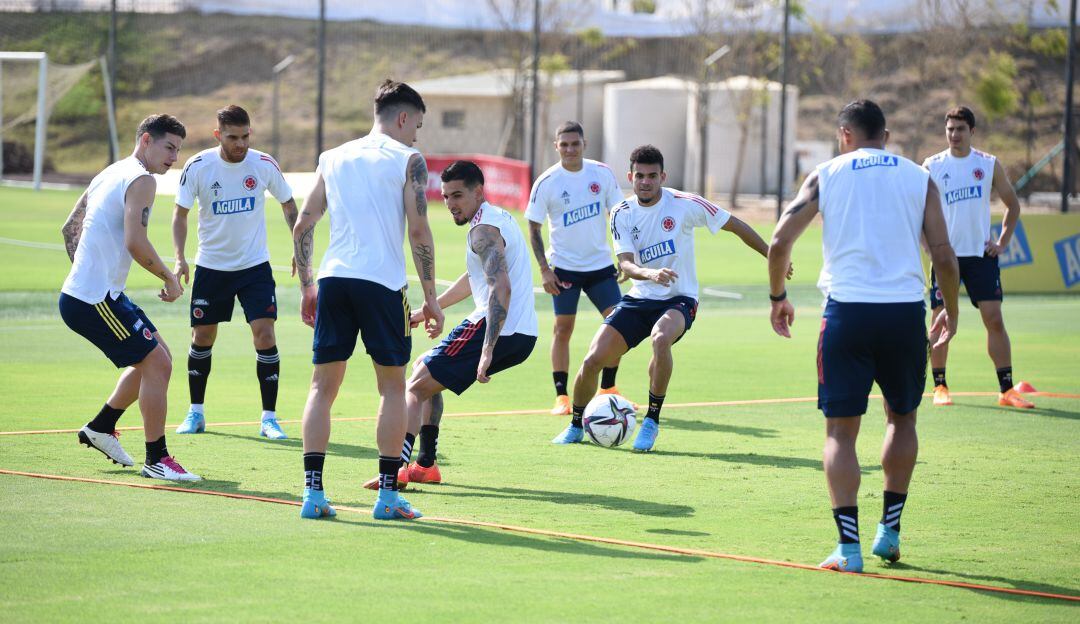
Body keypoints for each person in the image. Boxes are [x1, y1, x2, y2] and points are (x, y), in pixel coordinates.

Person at [767, 99, 960, 573]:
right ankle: (889, 533)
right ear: (886, 136)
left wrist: (778, 297)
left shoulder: (827, 174)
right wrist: (948, 310)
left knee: (840, 432)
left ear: (844, 135)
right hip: (902, 315)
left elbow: (778, 241)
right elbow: (943, 252)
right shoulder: (920, 176)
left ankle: (848, 550)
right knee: (903, 419)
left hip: (848, 315)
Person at [552, 145, 781, 451]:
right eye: (639, 176)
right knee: (593, 359)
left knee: (660, 339)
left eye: (652, 176)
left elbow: (735, 225)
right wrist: (650, 274)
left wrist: (771, 256)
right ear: (630, 177)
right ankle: (576, 425)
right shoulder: (622, 212)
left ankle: (652, 421)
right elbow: (627, 264)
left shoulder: (685, 204)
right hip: (640, 297)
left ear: (663, 176)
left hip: (680, 299)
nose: (645, 182)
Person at [291, 79, 444, 520]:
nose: (417, 134)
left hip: (334, 281)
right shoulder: (409, 159)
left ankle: (313, 495)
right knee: (393, 388)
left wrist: (307, 286)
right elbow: (419, 231)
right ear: (402, 117)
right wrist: (431, 299)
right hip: (382, 284)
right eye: (416, 124)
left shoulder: (333, 157)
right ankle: (387, 498)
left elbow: (304, 224)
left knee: (322, 388)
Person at [361, 160, 538, 489]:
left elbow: (501, 288)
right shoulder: (495, 220)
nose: (451, 204)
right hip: (520, 331)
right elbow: (477, 279)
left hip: (498, 327)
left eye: (458, 195)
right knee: (424, 370)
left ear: (478, 192)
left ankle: (397, 468)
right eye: (445, 197)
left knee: (413, 385)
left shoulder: (483, 231)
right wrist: (429, 307)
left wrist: (488, 349)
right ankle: (425, 465)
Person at [60, 114, 201, 482]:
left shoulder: (111, 171)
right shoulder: (140, 179)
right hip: (93, 298)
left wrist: (89, 272)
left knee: (159, 358)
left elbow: (69, 228)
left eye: (178, 150)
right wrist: (169, 277)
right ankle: (157, 458)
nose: (174, 157)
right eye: (169, 147)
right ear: (145, 140)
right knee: (157, 365)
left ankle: (101, 428)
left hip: (99, 293)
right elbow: (135, 243)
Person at [172, 105, 298, 439]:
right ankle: (195, 413)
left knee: (265, 335)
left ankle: (269, 418)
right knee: (202, 337)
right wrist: (179, 258)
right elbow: (180, 213)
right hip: (212, 268)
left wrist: (300, 247)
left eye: (245, 136)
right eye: (232, 137)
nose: (240, 144)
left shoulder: (263, 164)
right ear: (218, 135)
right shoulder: (198, 166)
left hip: (254, 267)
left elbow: (288, 203)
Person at [922, 106, 1034, 409]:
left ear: (972, 131)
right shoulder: (932, 165)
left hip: (981, 257)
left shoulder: (987, 164)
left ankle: (1007, 390)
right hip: (946, 258)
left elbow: (1013, 205)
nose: (954, 135)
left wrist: (1001, 242)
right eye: (950, 129)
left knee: (994, 320)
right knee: (939, 322)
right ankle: (940, 385)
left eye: (960, 129)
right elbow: (917, 211)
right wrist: (930, 248)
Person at [525, 122, 632, 416]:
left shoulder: (601, 174)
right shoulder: (547, 182)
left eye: (575, 143)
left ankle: (608, 389)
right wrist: (545, 270)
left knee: (618, 324)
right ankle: (562, 396)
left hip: (600, 266)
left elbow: (618, 216)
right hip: (564, 268)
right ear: (556, 146)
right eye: (564, 144)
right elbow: (533, 227)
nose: (570, 149)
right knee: (563, 329)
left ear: (584, 143)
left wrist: (625, 258)